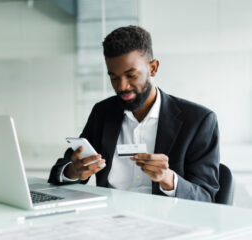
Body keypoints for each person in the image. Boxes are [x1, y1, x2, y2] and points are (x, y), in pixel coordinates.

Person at [48, 25, 220, 202]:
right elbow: (58, 173)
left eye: (131, 75)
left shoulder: (199, 121)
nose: (121, 86)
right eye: (114, 77)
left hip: (167, 220)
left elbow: (206, 197)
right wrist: (74, 171)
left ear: (153, 68)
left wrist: (169, 179)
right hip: (109, 219)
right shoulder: (103, 112)